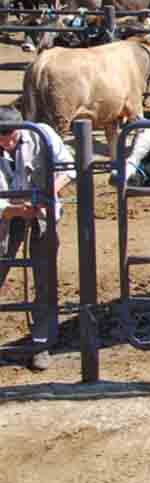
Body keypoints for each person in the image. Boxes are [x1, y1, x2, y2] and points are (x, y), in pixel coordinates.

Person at [0, 107, 73, 371]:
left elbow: (69, 167)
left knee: (44, 274)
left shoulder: (42, 134)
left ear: (19, 128)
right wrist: (16, 209)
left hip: (43, 207)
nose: (4, 139)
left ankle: (42, 343)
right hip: (7, 211)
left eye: (8, 132)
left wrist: (48, 192)